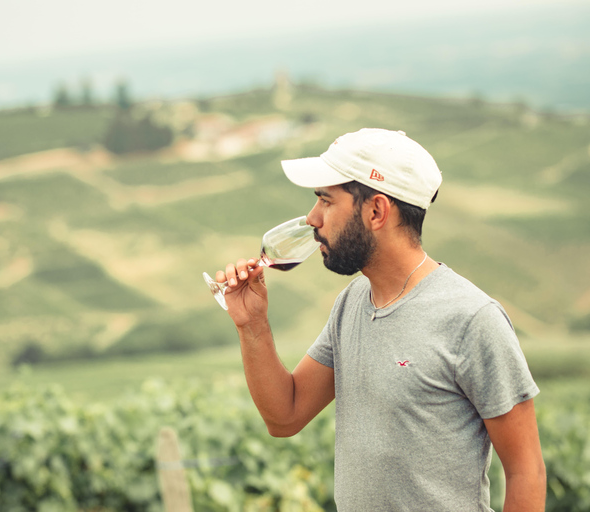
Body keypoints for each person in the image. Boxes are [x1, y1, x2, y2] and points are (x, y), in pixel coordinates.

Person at [215, 128, 546, 512]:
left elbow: (527, 471)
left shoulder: (471, 319)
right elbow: (284, 417)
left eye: (325, 201)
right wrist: (252, 325)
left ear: (376, 211)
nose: (312, 218)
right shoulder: (353, 302)